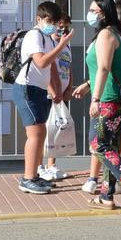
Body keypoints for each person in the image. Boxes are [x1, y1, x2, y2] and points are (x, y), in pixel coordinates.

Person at [77, 0, 121, 212]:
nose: (89, 15)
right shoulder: (116, 34)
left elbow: (105, 68)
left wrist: (95, 98)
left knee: (97, 144)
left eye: (93, 11)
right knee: (111, 145)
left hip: (109, 100)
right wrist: (89, 85)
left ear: (104, 13)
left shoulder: (107, 34)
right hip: (118, 101)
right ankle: (106, 196)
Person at [13, 1, 70, 195]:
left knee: (41, 134)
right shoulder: (34, 36)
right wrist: (61, 45)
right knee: (35, 134)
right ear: (39, 19)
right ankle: (27, 178)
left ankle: (35, 175)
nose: (52, 25)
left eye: (54, 21)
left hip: (39, 90)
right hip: (27, 89)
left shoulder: (49, 39)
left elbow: (52, 67)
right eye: (49, 20)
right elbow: (42, 61)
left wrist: (57, 90)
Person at [39, 12, 74, 183]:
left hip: (61, 95)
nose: (63, 28)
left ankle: (51, 165)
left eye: (66, 25)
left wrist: (69, 88)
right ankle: (39, 166)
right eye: (60, 25)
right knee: (43, 131)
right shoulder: (49, 44)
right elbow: (46, 69)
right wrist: (53, 90)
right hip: (49, 94)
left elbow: (69, 67)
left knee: (57, 130)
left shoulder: (66, 45)